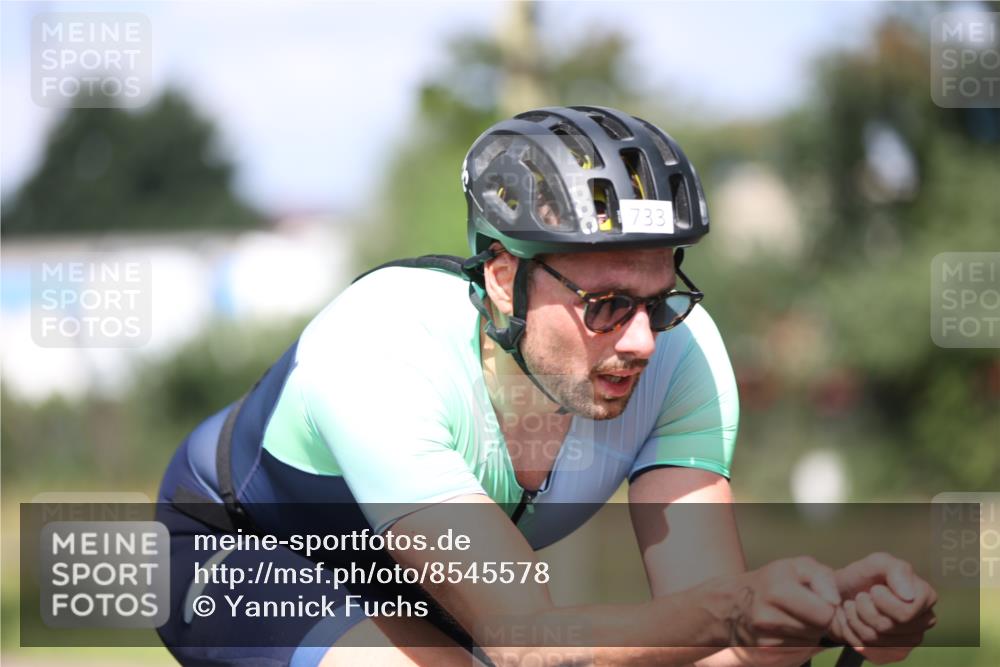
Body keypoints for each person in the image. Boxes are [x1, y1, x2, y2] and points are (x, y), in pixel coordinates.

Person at [156, 106, 937, 667]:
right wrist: (733, 609)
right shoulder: (380, 348)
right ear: (503, 277)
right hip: (244, 552)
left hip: (433, 578)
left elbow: (718, 647)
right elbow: (528, 640)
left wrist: (827, 616)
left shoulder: (684, 352)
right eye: (605, 305)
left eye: (659, 298)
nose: (640, 338)